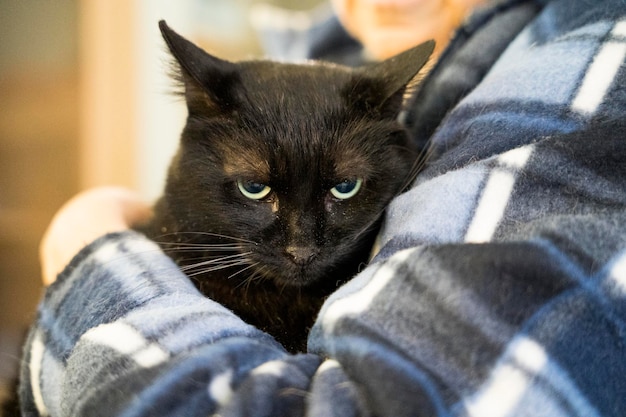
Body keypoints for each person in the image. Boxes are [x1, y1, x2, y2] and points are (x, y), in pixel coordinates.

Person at [20, 0, 626, 415]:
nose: (302, 246)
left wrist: (90, 255)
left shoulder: (585, 67)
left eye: (342, 191)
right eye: (256, 191)